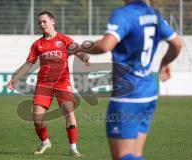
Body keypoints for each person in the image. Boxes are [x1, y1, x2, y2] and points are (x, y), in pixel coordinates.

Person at [73, 0, 182, 160]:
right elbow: (177, 44)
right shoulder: (154, 15)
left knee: (123, 157)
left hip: (129, 94)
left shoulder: (124, 14)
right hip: (149, 91)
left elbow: (105, 45)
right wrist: (165, 62)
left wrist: (78, 48)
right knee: (135, 155)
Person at [7, 11, 89, 157]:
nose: (42, 24)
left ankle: (73, 148)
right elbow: (29, 63)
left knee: (69, 115)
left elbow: (78, 51)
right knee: (37, 118)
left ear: (53, 21)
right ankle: (45, 142)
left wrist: (85, 57)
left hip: (62, 82)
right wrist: (16, 78)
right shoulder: (37, 44)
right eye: (39, 23)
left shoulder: (64, 39)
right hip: (43, 84)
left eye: (44, 21)